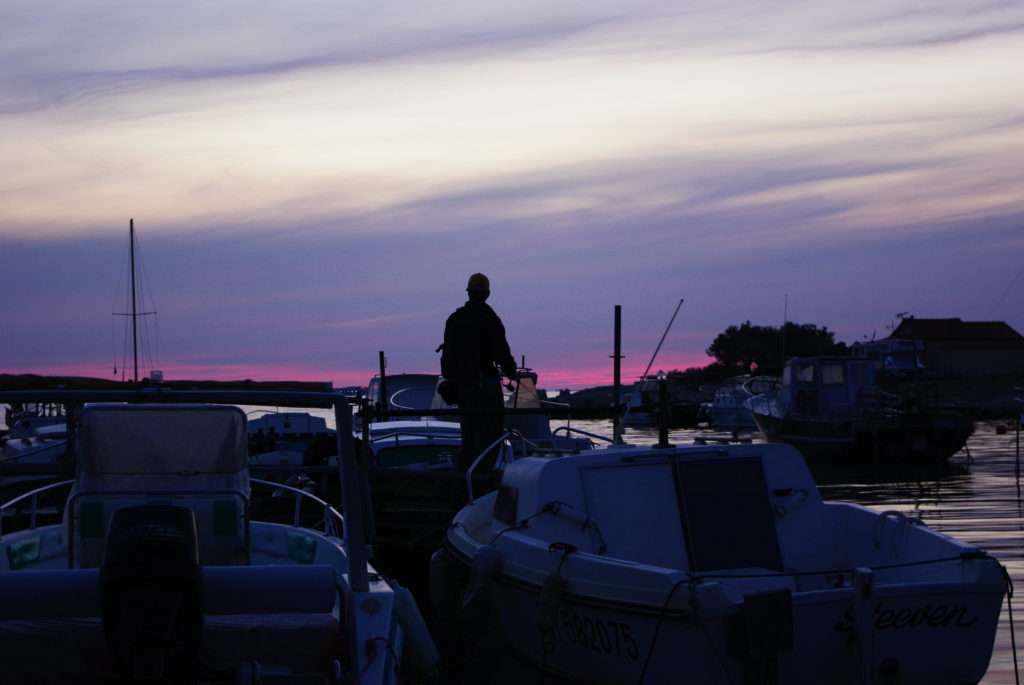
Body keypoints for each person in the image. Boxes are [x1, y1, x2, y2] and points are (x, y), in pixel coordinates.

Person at [441, 273, 517, 471]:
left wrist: (452, 381)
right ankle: (481, 481)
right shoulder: (489, 318)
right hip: (485, 387)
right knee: (490, 438)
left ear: (468, 292)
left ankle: (464, 482)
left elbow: (448, 356)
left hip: (463, 389)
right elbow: (501, 351)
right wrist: (511, 371)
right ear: (487, 293)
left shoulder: (455, 319)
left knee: (469, 438)